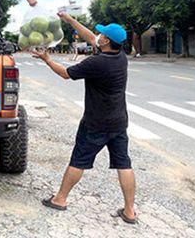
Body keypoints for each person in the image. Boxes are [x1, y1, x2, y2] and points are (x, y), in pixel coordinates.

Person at [32, 12, 137, 225]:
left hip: (96, 123)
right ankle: (129, 212)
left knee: (79, 160)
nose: (98, 35)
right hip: (118, 122)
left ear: (106, 40)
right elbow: (91, 38)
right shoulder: (120, 57)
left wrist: (47, 59)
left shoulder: (96, 63)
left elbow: (65, 73)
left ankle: (60, 199)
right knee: (124, 164)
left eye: (102, 34)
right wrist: (69, 20)